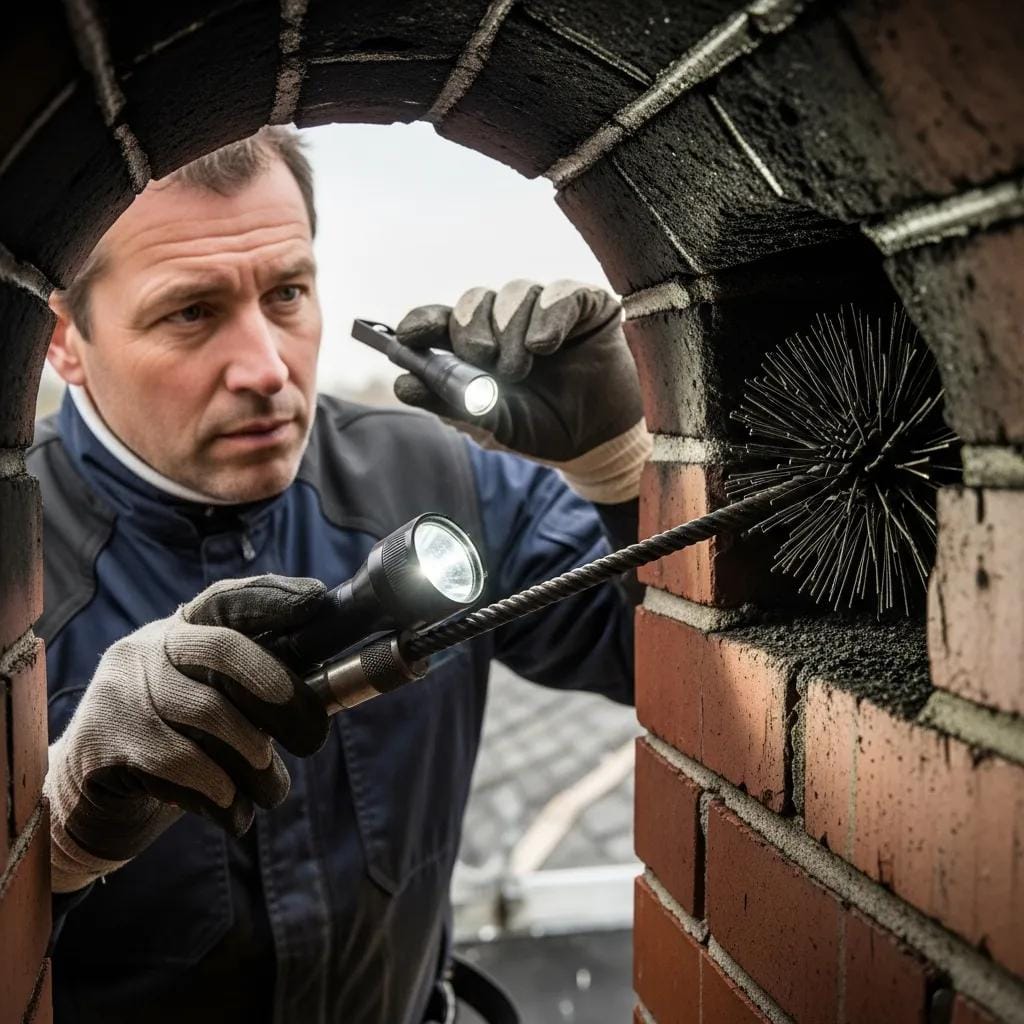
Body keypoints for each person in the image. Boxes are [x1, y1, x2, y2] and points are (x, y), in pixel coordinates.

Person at [32, 126, 650, 1024]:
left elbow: (658, 656)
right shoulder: (14, 564)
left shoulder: (443, 478)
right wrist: (53, 832)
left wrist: (622, 470)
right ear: (65, 343)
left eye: (286, 293)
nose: (266, 367)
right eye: (190, 313)